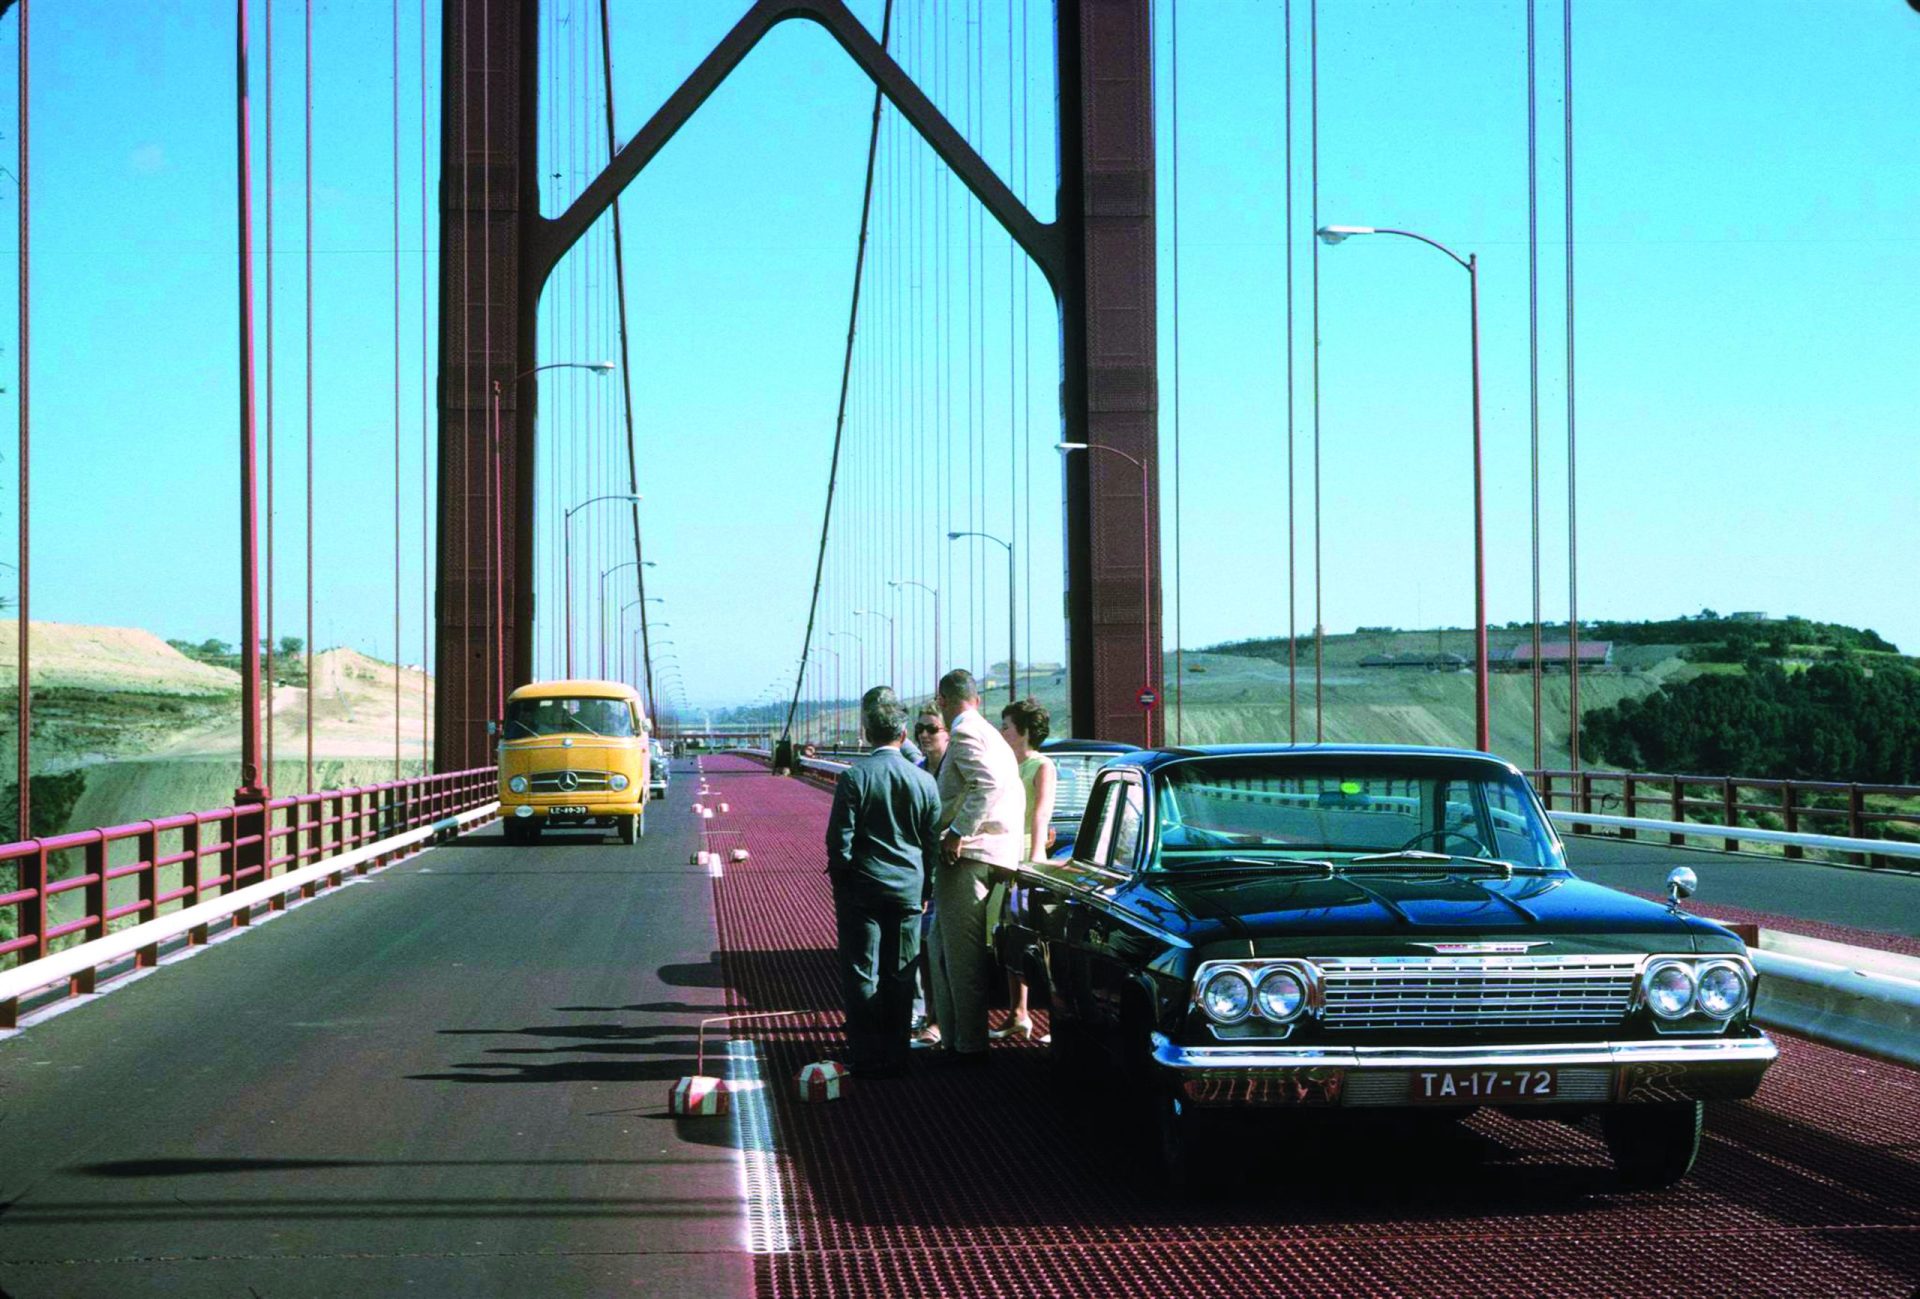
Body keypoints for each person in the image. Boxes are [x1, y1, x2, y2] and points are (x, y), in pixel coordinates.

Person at [823, 689, 942, 1078]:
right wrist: (925, 889)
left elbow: (838, 840)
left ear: (867, 733)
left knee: (862, 971)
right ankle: (897, 1053)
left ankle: (865, 1051)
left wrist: (843, 884)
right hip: (908, 889)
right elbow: (931, 843)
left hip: (862, 889)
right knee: (902, 971)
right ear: (903, 734)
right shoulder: (925, 781)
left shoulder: (855, 778)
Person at [928, 668, 1025, 1065]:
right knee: (938, 947)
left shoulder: (965, 732)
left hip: (969, 856)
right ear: (977, 699)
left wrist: (956, 832)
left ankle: (968, 1046)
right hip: (993, 851)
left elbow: (986, 785)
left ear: (943, 701)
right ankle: (952, 1037)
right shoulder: (992, 735)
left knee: (960, 956)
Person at [991, 697, 1057, 1041]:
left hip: (1024, 855)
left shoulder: (1042, 766)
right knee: (1007, 934)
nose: (1001, 731)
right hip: (1002, 852)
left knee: (1034, 936)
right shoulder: (1003, 765)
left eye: (1006, 726)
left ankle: (1053, 1019)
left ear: (1026, 731)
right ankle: (1019, 1014)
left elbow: (1040, 814)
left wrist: (1032, 863)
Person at [909, 710, 950, 1048]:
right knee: (924, 947)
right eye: (919, 729)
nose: (924, 735)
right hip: (923, 871)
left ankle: (942, 1020)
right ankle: (933, 1018)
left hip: (951, 867)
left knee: (943, 950)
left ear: (948, 732)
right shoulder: (917, 772)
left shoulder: (956, 770)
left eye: (931, 729)